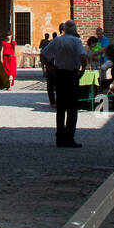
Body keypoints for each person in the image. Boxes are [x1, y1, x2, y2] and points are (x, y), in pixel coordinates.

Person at [42, 19, 88, 147]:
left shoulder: (57, 40)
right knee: (72, 108)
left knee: (61, 107)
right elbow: (83, 58)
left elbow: (44, 54)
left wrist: (50, 67)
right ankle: (69, 138)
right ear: (74, 30)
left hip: (60, 74)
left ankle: (60, 138)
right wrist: (82, 71)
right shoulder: (76, 41)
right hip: (72, 75)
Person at [40, 32, 58, 107]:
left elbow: (42, 50)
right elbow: (43, 53)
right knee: (51, 84)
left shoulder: (50, 42)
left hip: (51, 63)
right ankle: (53, 102)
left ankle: (54, 102)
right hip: (51, 63)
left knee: (52, 85)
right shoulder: (53, 42)